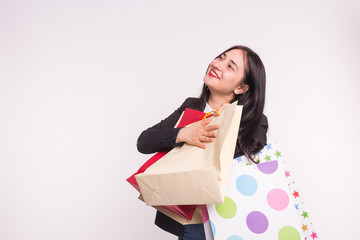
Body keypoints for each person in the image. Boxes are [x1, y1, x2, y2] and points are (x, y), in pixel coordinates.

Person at [137, 45, 268, 240]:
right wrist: (183, 133)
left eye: (230, 66)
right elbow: (144, 142)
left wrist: (224, 121)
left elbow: (243, 170)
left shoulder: (255, 122)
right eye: (220, 58)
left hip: (229, 219)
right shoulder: (191, 106)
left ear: (241, 88)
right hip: (192, 219)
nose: (217, 64)